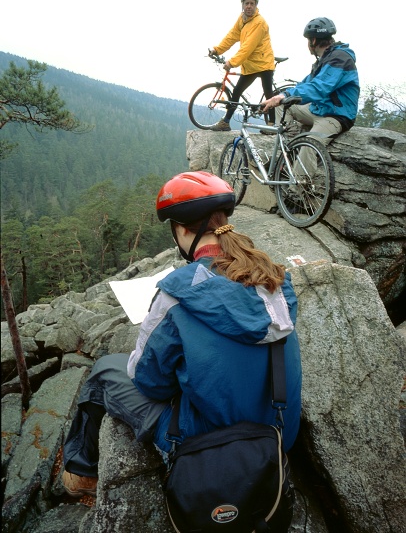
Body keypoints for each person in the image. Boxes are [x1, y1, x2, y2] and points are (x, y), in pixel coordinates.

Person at [62, 171, 302, 501]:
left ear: (182, 229)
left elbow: (150, 383)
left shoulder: (177, 293)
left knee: (104, 371)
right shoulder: (274, 280)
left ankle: (82, 473)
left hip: (211, 443)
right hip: (278, 434)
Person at [261, 17, 360, 161]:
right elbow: (305, 84)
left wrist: (286, 94)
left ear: (313, 40)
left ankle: (299, 174)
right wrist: (280, 96)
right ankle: (289, 147)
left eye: (308, 40)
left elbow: (319, 88)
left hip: (336, 115)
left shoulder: (340, 59)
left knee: (308, 146)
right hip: (320, 109)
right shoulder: (325, 59)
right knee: (282, 105)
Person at [209, 0, 276, 131]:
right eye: (247, 3)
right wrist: (217, 49)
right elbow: (232, 36)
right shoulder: (242, 19)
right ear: (242, 4)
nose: (249, 6)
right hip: (250, 65)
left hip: (264, 63)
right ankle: (225, 122)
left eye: (252, 3)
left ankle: (271, 125)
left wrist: (232, 62)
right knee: (237, 91)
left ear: (256, 5)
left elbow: (248, 47)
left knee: (268, 93)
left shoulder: (259, 23)